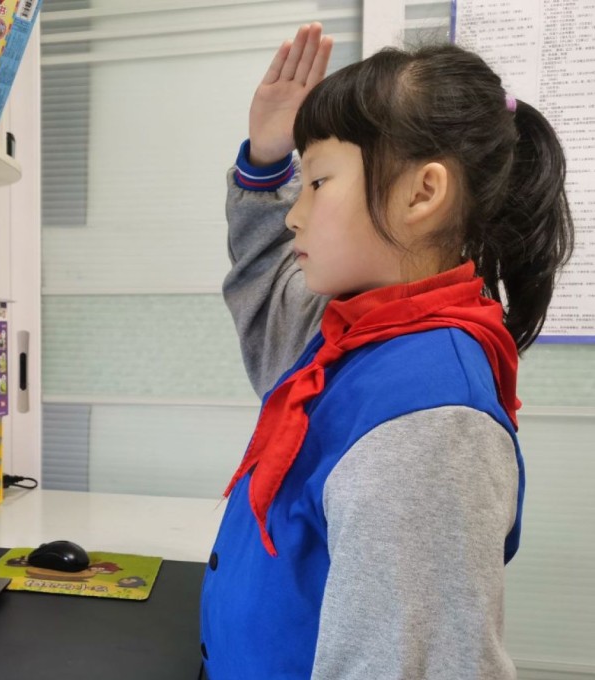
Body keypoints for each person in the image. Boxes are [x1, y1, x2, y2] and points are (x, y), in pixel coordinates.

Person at [200, 23, 573, 680]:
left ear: (422, 194)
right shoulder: (356, 334)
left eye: (316, 183)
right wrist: (268, 158)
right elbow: (267, 286)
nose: (295, 215)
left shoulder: (428, 422)